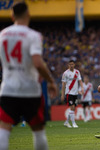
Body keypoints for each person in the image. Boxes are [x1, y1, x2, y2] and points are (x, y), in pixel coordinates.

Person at [0, 2, 58, 150]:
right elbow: (37, 63)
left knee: (3, 130)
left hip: (8, 89)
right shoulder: (33, 36)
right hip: (30, 90)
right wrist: (50, 81)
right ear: (28, 14)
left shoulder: (3, 35)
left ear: (12, 16)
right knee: (38, 132)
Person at [61, 60, 84, 128]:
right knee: (72, 107)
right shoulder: (65, 73)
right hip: (69, 92)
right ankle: (74, 123)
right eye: (70, 64)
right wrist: (62, 94)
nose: (71, 65)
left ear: (74, 65)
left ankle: (66, 122)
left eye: (72, 64)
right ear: (68, 65)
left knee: (73, 109)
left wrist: (82, 88)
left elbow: (80, 81)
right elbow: (63, 84)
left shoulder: (77, 72)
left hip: (75, 93)